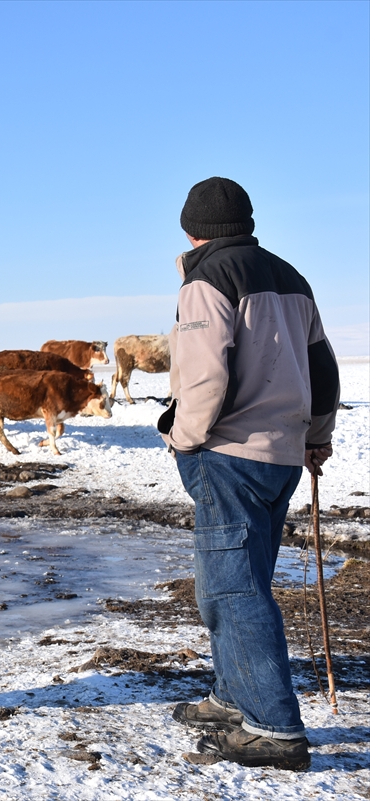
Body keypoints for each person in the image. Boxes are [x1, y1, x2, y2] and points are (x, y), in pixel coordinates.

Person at [158, 178, 340, 771]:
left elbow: (205, 375)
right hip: (282, 454)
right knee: (230, 579)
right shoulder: (289, 276)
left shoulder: (206, 279)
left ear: (192, 229)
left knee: (236, 590)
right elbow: (323, 366)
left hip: (229, 452)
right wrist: (315, 436)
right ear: (247, 223)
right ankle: (234, 695)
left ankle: (274, 728)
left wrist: (183, 438)